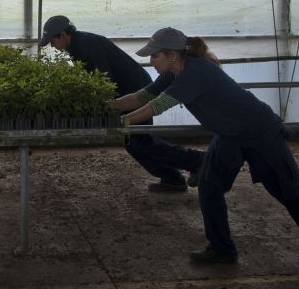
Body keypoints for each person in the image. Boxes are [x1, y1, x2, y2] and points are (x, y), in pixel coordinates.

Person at [114, 26, 299, 264]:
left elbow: (156, 107)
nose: (151, 61)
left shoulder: (196, 73)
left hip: (260, 133)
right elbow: (142, 97)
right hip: (229, 136)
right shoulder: (173, 72)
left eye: (154, 56)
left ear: (173, 55)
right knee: (209, 186)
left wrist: (119, 123)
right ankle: (221, 249)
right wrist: (108, 107)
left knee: (286, 190)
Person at [39, 15, 204, 192]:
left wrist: (107, 111)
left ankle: (195, 162)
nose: (52, 46)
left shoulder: (86, 46)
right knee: (134, 142)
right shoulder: (78, 45)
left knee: (140, 142)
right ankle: (173, 176)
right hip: (132, 91)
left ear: (63, 35)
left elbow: (104, 82)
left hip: (134, 89)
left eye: (52, 41)